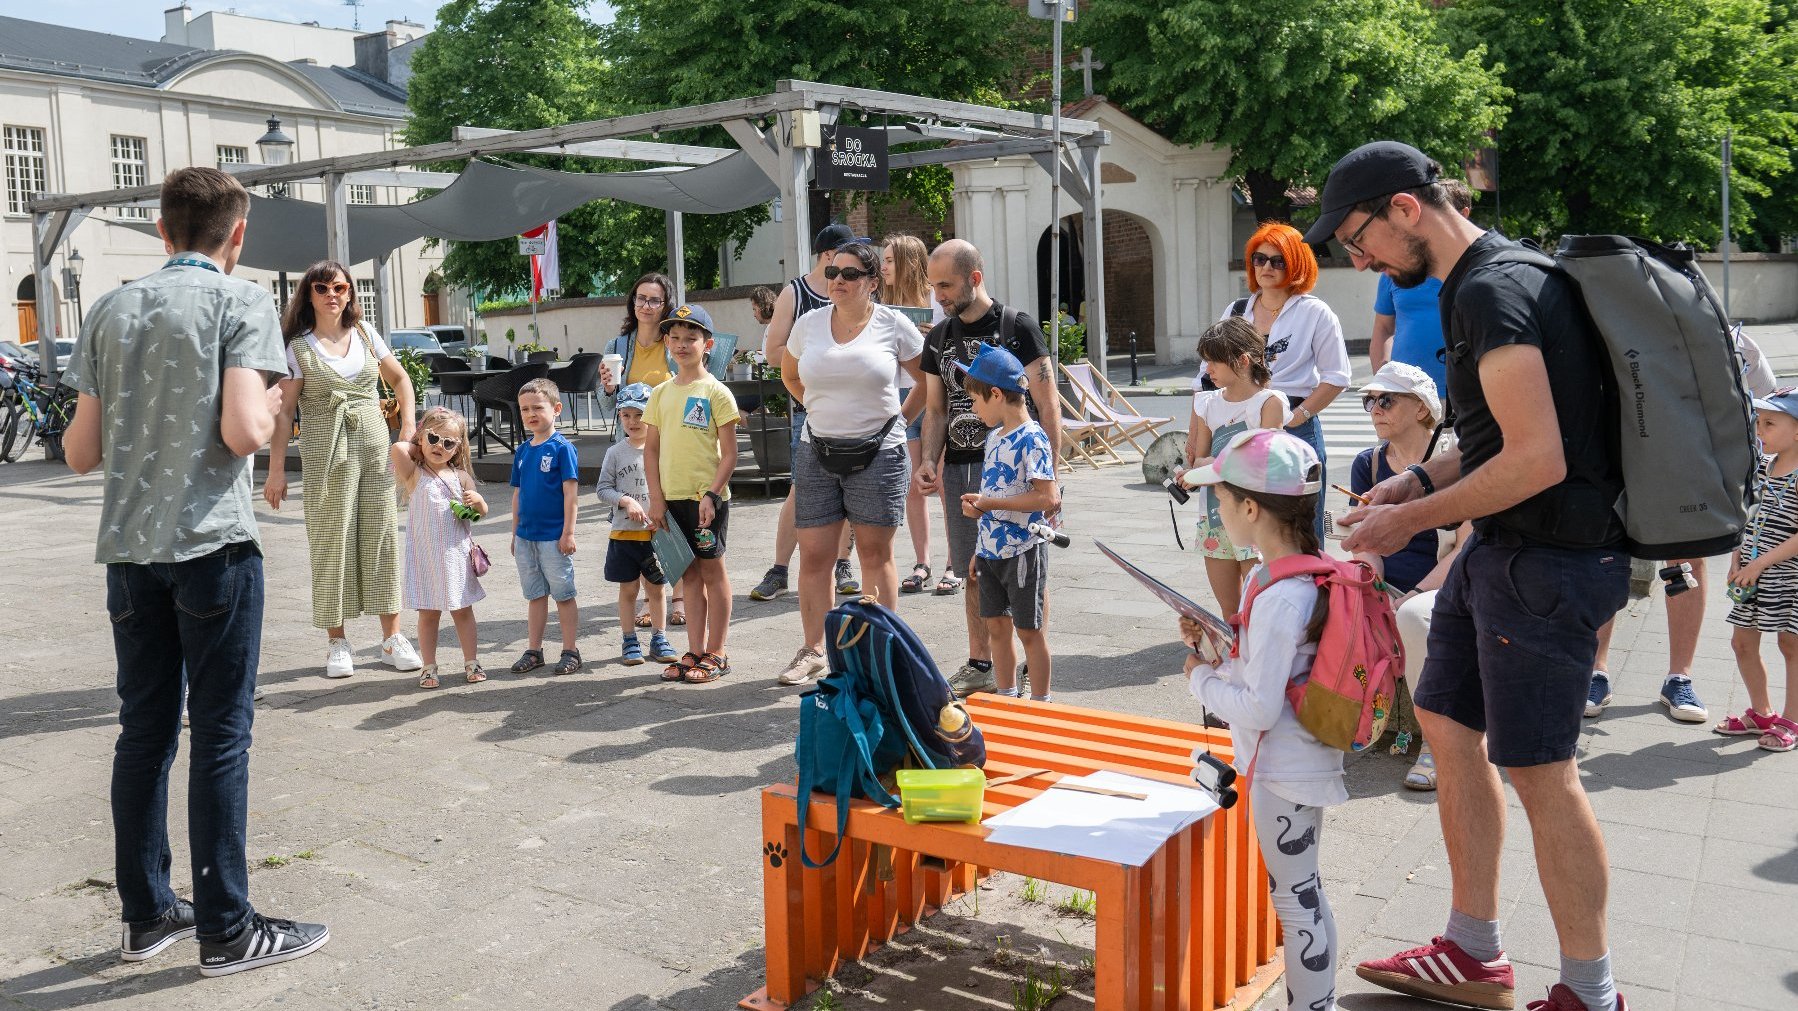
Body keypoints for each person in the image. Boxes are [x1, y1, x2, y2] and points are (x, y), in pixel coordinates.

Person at [1325, 141, 1633, 1011]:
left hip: (1547, 561)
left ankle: (1591, 992)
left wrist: (1406, 520)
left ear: (1404, 208)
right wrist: (1419, 478)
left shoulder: (1496, 288)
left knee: (1541, 768)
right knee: (1446, 718)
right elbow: (1496, 434)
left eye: (1360, 237)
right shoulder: (1481, 281)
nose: (1359, 260)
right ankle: (1473, 949)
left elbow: (1538, 457)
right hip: (1500, 551)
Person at [62, 165, 329, 975]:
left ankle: (146, 912)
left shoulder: (108, 307)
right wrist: (277, 404)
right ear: (237, 234)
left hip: (131, 555)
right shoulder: (239, 301)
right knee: (220, 734)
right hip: (211, 545)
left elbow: (79, 453)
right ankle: (227, 925)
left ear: (161, 230)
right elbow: (248, 430)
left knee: (142, 733)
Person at [1177, 429, 1345, 1011]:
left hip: (1286, 770)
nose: (1217, 514)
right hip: (1290, 764)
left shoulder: (1277, 595)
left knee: (1297, 901)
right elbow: (1264, 671)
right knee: (1305, 891)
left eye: (1221, 502)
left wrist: (1199, 676)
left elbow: (1258, 706)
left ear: (1251, 507)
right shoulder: (1283, 575)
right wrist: (1220, 651)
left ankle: (1311, 1006)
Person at [915, 239, 1063, 699]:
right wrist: (927, 460)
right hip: (963, 468)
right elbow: (935, 409)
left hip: (1020, 466)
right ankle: (983, 662)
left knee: (1024, 565)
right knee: (974, 570)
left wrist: (1052, 476)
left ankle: (1028, 658)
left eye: (945, 285)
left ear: (974, 279)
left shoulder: (1015, 326)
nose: (937, 295)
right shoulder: (938, 337)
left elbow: (1047, 400)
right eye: (932, 285)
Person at [265, 260, 422, 679]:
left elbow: (402, 380)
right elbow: (282, 414)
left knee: (382, 534)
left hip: (373, 447)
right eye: (321, 288)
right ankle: (337, 641)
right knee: (331, 539)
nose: (331, 294)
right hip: (324, 450)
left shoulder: (367, 335)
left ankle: (392, 637)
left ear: (350, 292)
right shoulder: (297, 346)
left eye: (339, 286)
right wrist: (276, 470)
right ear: (309, 295)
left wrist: (406, 431)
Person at [778, 242, 926, 686]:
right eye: (832, 272)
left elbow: (926, 379)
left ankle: (882, 650)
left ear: (872, 282)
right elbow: (789, 375)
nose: (837, 280)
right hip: (817, 450)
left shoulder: (893, 324)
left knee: (875, 554)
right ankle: (814, 649)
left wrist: (900, 420)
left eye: (849, 273)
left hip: (879, 454)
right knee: (815, 556)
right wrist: (818, 407)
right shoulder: (808, 324)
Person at [1347, 362, 1466, 792]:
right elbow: (1366, 543)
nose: (1374, 409)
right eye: (1368, 401)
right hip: (1390, 583)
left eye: (1385, 399)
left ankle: (1436, 745)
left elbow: (1467, 546)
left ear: (1421, 410)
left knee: (1414, 616)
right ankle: (1325, 722)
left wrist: (1412, 592)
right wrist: (1369, 581)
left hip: (1447, 583)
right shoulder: (1369, 463)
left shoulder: (1453, 462)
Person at [749, 223, 860, 604]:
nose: (850, 270)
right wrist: (818, 355)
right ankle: (779, 569)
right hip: (808, 408)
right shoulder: (794, 293)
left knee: (850, 488)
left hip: (853, 411)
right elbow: (773, 352)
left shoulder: (855, 291)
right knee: (802, 489)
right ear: (828, 256)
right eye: (845, 258)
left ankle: (843, 563)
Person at [1222, 223, 1350, 545]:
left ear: (1296, 263)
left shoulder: (1315, 312)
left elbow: (1337, 376)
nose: (1266, 266)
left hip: (1295, 424)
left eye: (1278, 260)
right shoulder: (1237, 311)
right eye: (1259, 258)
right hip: (1239, 423)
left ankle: (1312, 591)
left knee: (1303, 525)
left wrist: (1298, 416)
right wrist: (1199, 436)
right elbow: (1206, 374)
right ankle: (1264, 591)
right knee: (1249, 526)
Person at [954, 344, 1059, 701]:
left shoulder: (1032, 438)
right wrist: (979, 544)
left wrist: (990, 503)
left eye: (976, 400)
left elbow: (1048, 498)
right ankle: (1008, 695)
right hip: (990, 552)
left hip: (1024, 550)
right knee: (996, 627)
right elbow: (993, 494)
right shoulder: (993, 438)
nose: (973, 407)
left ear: (996, 394)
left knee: (1030, 631)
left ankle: (1041, 704)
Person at [646, 304, 740, 684]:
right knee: (687, 576)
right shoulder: (661, 393)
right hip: (671, 500)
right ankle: (695, 649)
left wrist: (712, 494)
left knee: (712, 572)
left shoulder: (716, 393)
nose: (682, 345)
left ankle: (717, 651)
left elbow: (730, 453)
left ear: (709, 344)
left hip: (706, 501)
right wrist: (656, 498)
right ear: (666, 342)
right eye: (676, 338)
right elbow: (650, 450)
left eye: (691, 338)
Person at [1179, 317, 1288, 618]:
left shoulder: (1269, 402)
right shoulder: (1207, 404)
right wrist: (1196, 473)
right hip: (1214, 516)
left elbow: (1267, 461)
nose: (1207, 370)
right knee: (1230, 611)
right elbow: (1199, 459)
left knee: (1261, 605)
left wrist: (1212, 466)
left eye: (1214, 362)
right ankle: (1237, 660)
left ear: (1241, 361)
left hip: (1258, 518)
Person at [599, 272, 686, 628]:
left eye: (654, 300)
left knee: (674, 518)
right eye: (640, 298)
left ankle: (677, 597)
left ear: (666, 305)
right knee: (647, 518)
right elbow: (609, 410)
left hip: (672, 441)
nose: (645, 306)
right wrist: (606, 389)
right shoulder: (618, 347)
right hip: (635, 446)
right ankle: (655, 594)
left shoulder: (675, 342)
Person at [1719, 389, 1798, 752]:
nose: (1759, 430)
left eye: (1770, 423)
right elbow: (1752, 516)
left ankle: (1791, 720)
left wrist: (1762, 562)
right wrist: (1738, 556)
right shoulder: (1765, 465)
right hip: (1753, 572)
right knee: (1742, 643)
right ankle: (1761, 713)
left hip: (1788, 575)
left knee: (1790, 645)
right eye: (1758, 422)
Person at [390, 407, 488, 688]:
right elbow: (397, 446)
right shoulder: (415, 474)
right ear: (421, 437)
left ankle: (471, 660)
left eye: (448, 443)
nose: (439, 447)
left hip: (455, 557)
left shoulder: (461, 477)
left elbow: (481, 513)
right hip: (425, 558)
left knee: (463, 611)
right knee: (428, 614)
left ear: (458, 448)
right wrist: (421, 439)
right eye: (434, 438)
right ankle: (429, 666)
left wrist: (479, 503)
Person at [595, 382, 678, 668]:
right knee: (628, 590)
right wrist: (624, 501)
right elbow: (603, 488)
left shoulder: (664, 450)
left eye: (639, 415)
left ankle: (659, 636)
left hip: (657, 534)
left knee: (656, 588)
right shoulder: (615, 453)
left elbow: (671, 486)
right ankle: (629, 638)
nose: (632, 421)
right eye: (626, 415)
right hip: (624, 534)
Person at [882, 232, 947, 594]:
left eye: (890, 260)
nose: (883, 266)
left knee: (944, 481)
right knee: (913, 487)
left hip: (938, 400)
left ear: (907, 261)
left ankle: (955, 562)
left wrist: (933, 335)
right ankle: (923, 562)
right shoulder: (883, 305)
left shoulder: (937, 301)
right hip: (903, 398)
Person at [508, 378, 583, 677]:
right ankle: (534, 650)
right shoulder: (523, 451)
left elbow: (571, 493)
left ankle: (570, 650)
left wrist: (569, 532)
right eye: (525, 409)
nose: (530, 414)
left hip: (554, 537)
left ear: (556, 409)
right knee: (534, 595)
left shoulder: (562, 448)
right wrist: (514, 533)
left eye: (537, 407)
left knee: (563, 594)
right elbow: (517, 494)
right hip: (527, 537)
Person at [1368, 178, 1474, 387]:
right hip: (1408, 391)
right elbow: (1383, 328)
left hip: (1463, 393)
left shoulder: (1480, 272)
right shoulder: (1395, 269)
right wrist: (1383, 381)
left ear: (1463, 215)